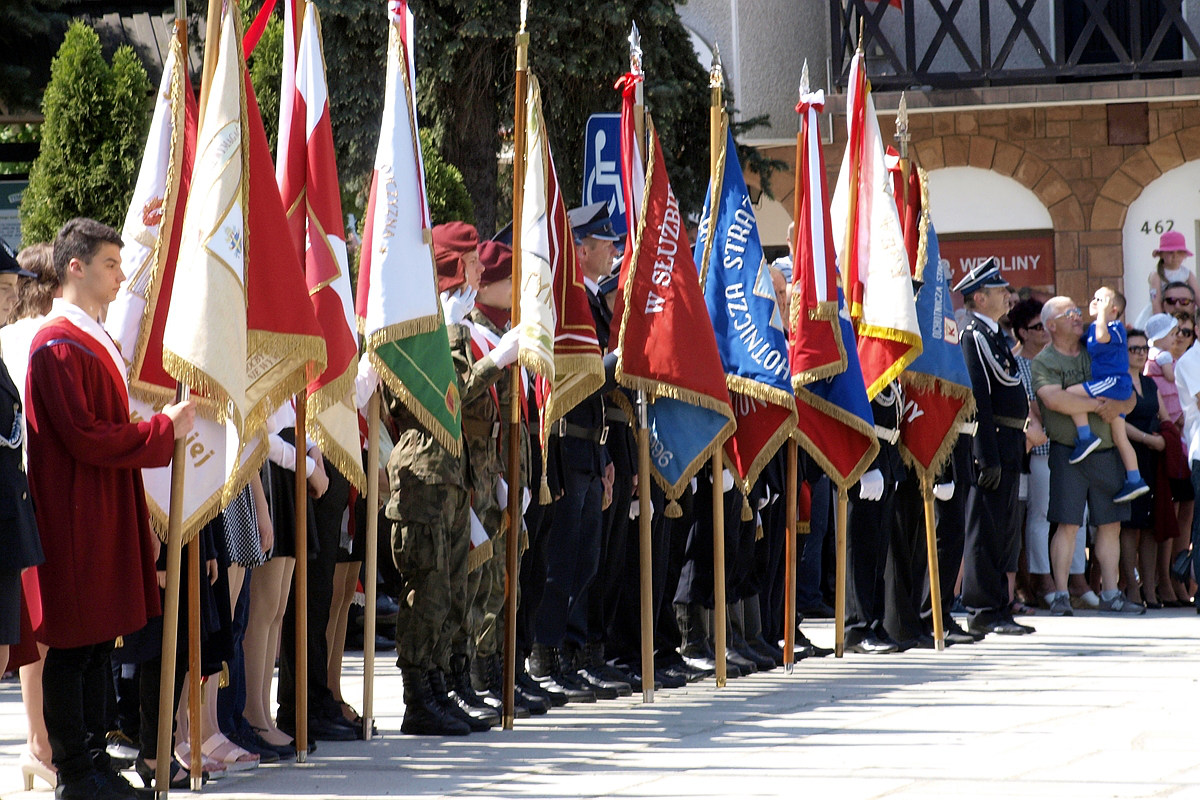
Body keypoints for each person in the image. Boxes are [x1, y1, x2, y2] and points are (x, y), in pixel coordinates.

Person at [26, 219, 195, 799]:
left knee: (99, 642)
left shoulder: (93, 339)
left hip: (103, 507)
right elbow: (84, 435)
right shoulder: (56, 344)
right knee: (74, 646)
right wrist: (160, 431)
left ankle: (96, 762)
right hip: (75, 515)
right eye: (110, 264)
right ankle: (76, 772)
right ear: (75, 267)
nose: (122, 276)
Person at [1032, 295, 1143, 616]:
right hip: (1069, 452)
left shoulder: (1097, 347)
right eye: (1068, 313)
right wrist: (1101, 406)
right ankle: (1061, 595)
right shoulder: (1045, 361)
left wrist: (1119, 404)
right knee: (1067, 524)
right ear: (1051, 326)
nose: (1077, 316)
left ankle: (1111, 594)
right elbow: (1054, 400)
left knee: (1110, 525)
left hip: (1107, 451)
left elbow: (1128, 396)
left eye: (1076, 310)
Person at [954, 259, 1033, 637]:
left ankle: (999, 606)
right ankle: (983, 608)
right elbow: (978, 399)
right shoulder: (974, 336)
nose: (1008, 296)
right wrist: (985, 454)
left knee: (1003, 531)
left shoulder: (996, 335)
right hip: (993, 442)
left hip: (1011, 441)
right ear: (980, 298)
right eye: (1000, 291)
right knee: (985, 530)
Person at [1063, 288, 1148, 502]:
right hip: (1110, 386)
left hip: (1113, 382)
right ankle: (1135, 479)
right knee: (1119, 436)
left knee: (1071, 394)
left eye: (1100, 300)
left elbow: (1101, 337)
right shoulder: (1094, 327)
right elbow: (1081, 342)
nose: (1094, 302)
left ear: (1113, 309)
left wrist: (1102, 314)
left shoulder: (1115, 327)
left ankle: (1085, 436)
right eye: (1094, 298)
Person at [1116, 329, 1168, 605]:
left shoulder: (1149, 383)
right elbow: (1117, 421)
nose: (1139, 353)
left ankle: (1149, 589)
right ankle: (1132, 588)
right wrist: (1148, 439)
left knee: (1149, 526)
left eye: (1143, 349)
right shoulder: (1117, 382)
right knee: (1129, 524)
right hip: (1127, 458)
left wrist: (1165, 436)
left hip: (1152, 459)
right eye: (1133, 348)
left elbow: (1165, 416)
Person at [1148, 231, 1199, 315]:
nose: (1175, 256)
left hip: (1183, 312)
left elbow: (1198, 297)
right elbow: (1156, 301)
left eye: (1180, 252)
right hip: (1163, 313)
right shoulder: (1156, 275)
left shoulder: (1187, 274)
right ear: (1161, 254)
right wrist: (1161, 319)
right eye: (1170, 252)